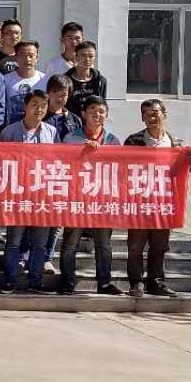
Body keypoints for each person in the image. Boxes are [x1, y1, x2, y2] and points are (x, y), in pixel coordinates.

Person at [124, 99, 191, 297]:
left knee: (160, 245)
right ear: (142, 118)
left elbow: (185, 170)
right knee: (135, 246)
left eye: (155, 113)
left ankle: (156, 282)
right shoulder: (133, 141)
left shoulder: (175, 144)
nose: (151, 117)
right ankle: (136, 283)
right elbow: (123, 167)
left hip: (163, 202)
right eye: (147, 114)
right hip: (140, 202)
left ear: (164, 115)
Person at [59, 96, 125, 296]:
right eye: (93, 110)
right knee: (70, 243)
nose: (97, 114)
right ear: (83, 114)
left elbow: (119, 169)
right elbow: (62, 164)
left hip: (102, 200)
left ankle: (104, 283)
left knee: (104, 244)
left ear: (107, 115)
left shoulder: (113, 141)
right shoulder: (71, 138)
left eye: (101, 111)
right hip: (77, 198)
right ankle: (67, 282)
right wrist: (82, 152)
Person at [0, 91, 58, 292]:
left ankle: (35, 280)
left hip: (42, 195)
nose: (39, 109)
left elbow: (59, 161)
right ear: (25, 106)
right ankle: (10, 280)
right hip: (18, 196)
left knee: (40, 243)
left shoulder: (52, 132)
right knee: (14, 242)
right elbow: (0, 162)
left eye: (43, 105)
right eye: (34, 104)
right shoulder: (9, 132)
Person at [0, 40, 47, 126]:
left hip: (38, 127)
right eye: (22, 55)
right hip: (13, 127)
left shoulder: (45, 79)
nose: (27, 59)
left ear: (36, 58)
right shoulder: (5, 79)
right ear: (15, 57)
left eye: (31, 56)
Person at [65, 40, 107, 115]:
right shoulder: (65, 80)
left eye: (91, 56)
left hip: (93, 120)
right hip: (72, 120)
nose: (87, 59)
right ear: (76, 57)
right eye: (83, 55)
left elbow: (102, 105)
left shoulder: (100, 80)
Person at [43, 75, 82, 139]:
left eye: (63, 94)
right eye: (55, 92)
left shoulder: (75, 120)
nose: (59, 98)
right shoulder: (38, 116)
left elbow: (79, 141)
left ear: (68, 96)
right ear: (48, 93)